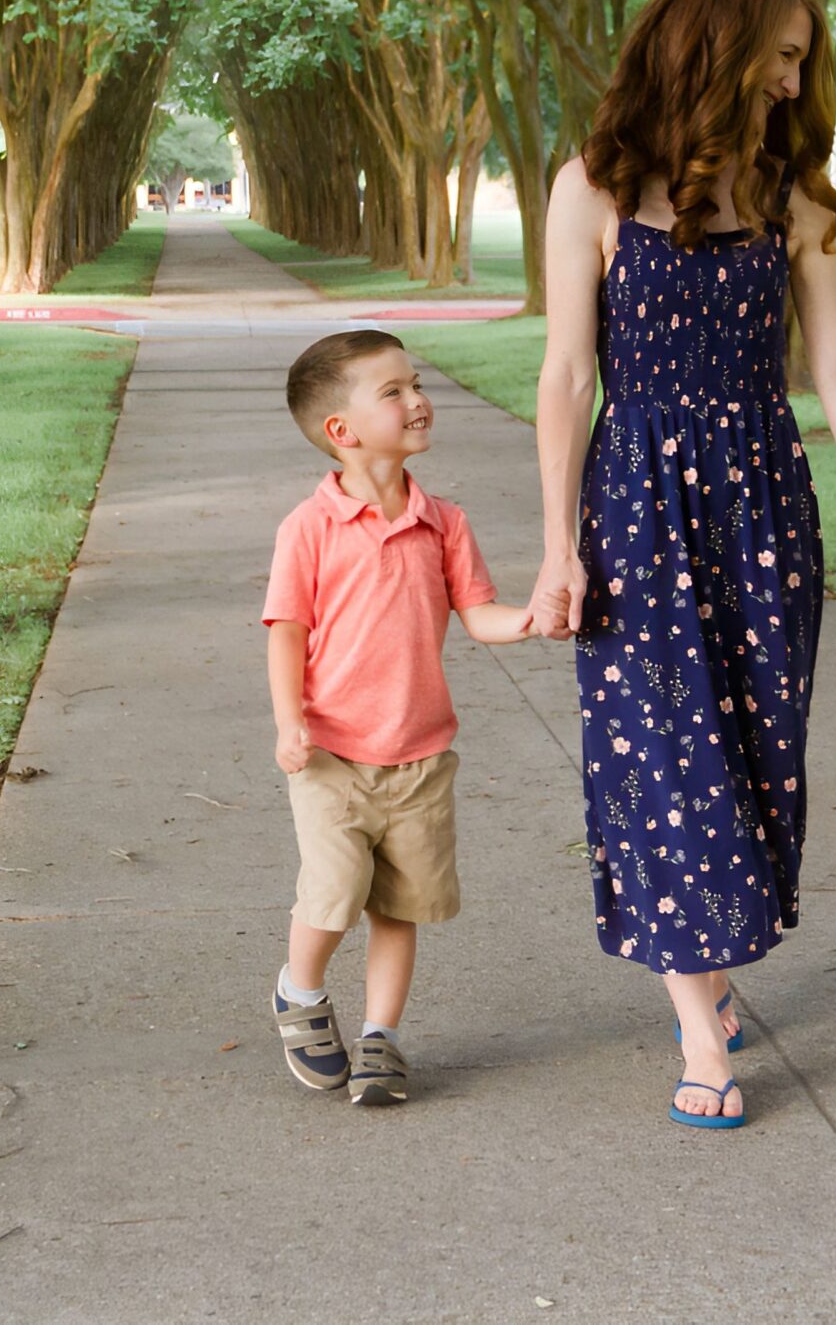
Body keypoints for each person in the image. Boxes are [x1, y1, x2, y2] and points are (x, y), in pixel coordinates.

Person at [530, 0, 836, 1130]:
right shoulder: (593, 191)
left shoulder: (793, 199)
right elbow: (564, 375)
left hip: (764, 502)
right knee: (660, 754)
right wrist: (560, 542)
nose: (791, 78)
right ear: (718, 41)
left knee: (757, 754)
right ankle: (700, 1026)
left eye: (803, 62)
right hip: (639, 508)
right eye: (783, 53)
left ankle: (706, 959)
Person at [262, 329, 535, 1106]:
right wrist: (290, 723)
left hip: (419, 757)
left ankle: (381, 1036)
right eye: (394, 391)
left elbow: (480, 616)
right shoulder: (309, 528)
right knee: (336, 885)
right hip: (332, 756)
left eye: (415, 383)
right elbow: (288, 633)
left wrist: (540, 617)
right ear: (340, 432)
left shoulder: (443, 522)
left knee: (398, 905)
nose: (418, 399)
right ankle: (302, 991)